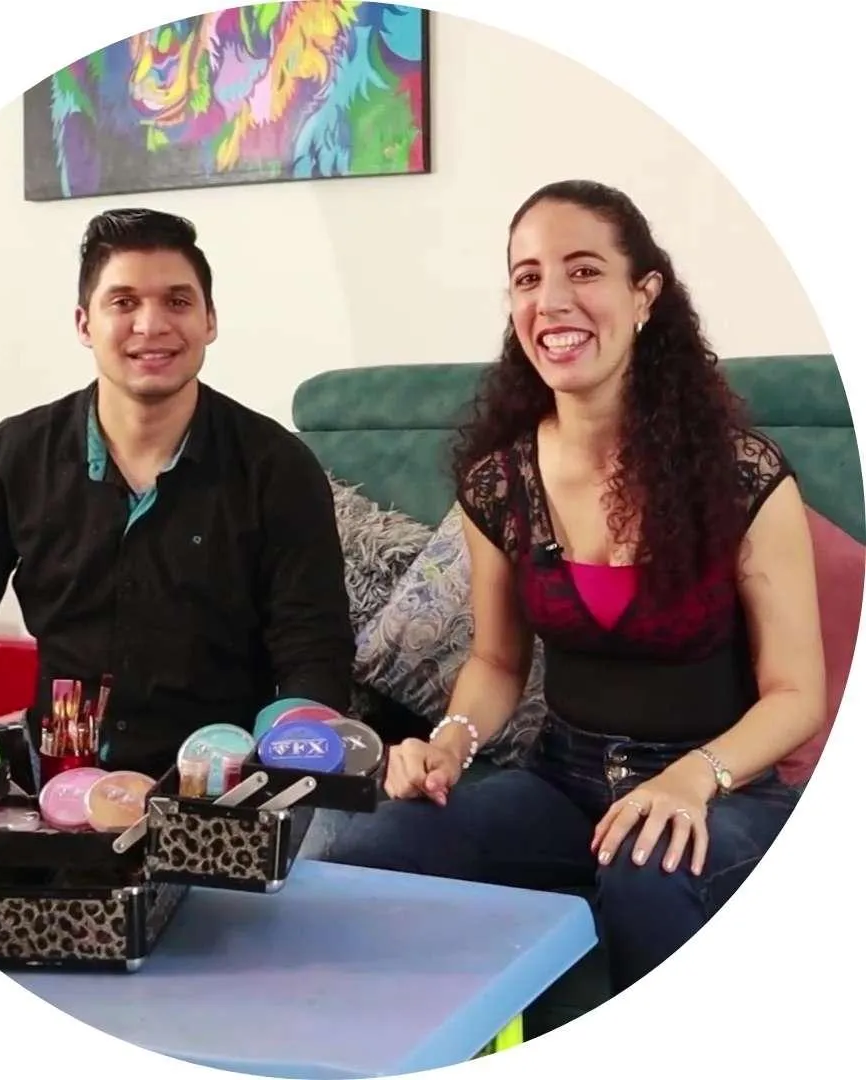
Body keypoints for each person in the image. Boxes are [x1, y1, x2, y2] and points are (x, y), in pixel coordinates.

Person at [317, 180, 824, 993]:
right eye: (528, 278)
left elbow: (797, 694)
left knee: (647, 871)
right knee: (375, 848)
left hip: (721, 787)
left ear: (644, 294)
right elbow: (496, 663)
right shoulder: (498, 484)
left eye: (583, 270)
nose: (551, 300)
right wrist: (450, 744)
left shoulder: (742, 474)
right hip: (562, 782)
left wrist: (693, 779)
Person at [0, 208, 355, 780]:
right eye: (123, 302)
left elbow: (312, 646)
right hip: (57, 773)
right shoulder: (18, 453)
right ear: (85, 324)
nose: (151, 325)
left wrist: (296, 745)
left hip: (218, 786)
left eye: (178, 301)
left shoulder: (277, 467)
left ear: (209, 320)